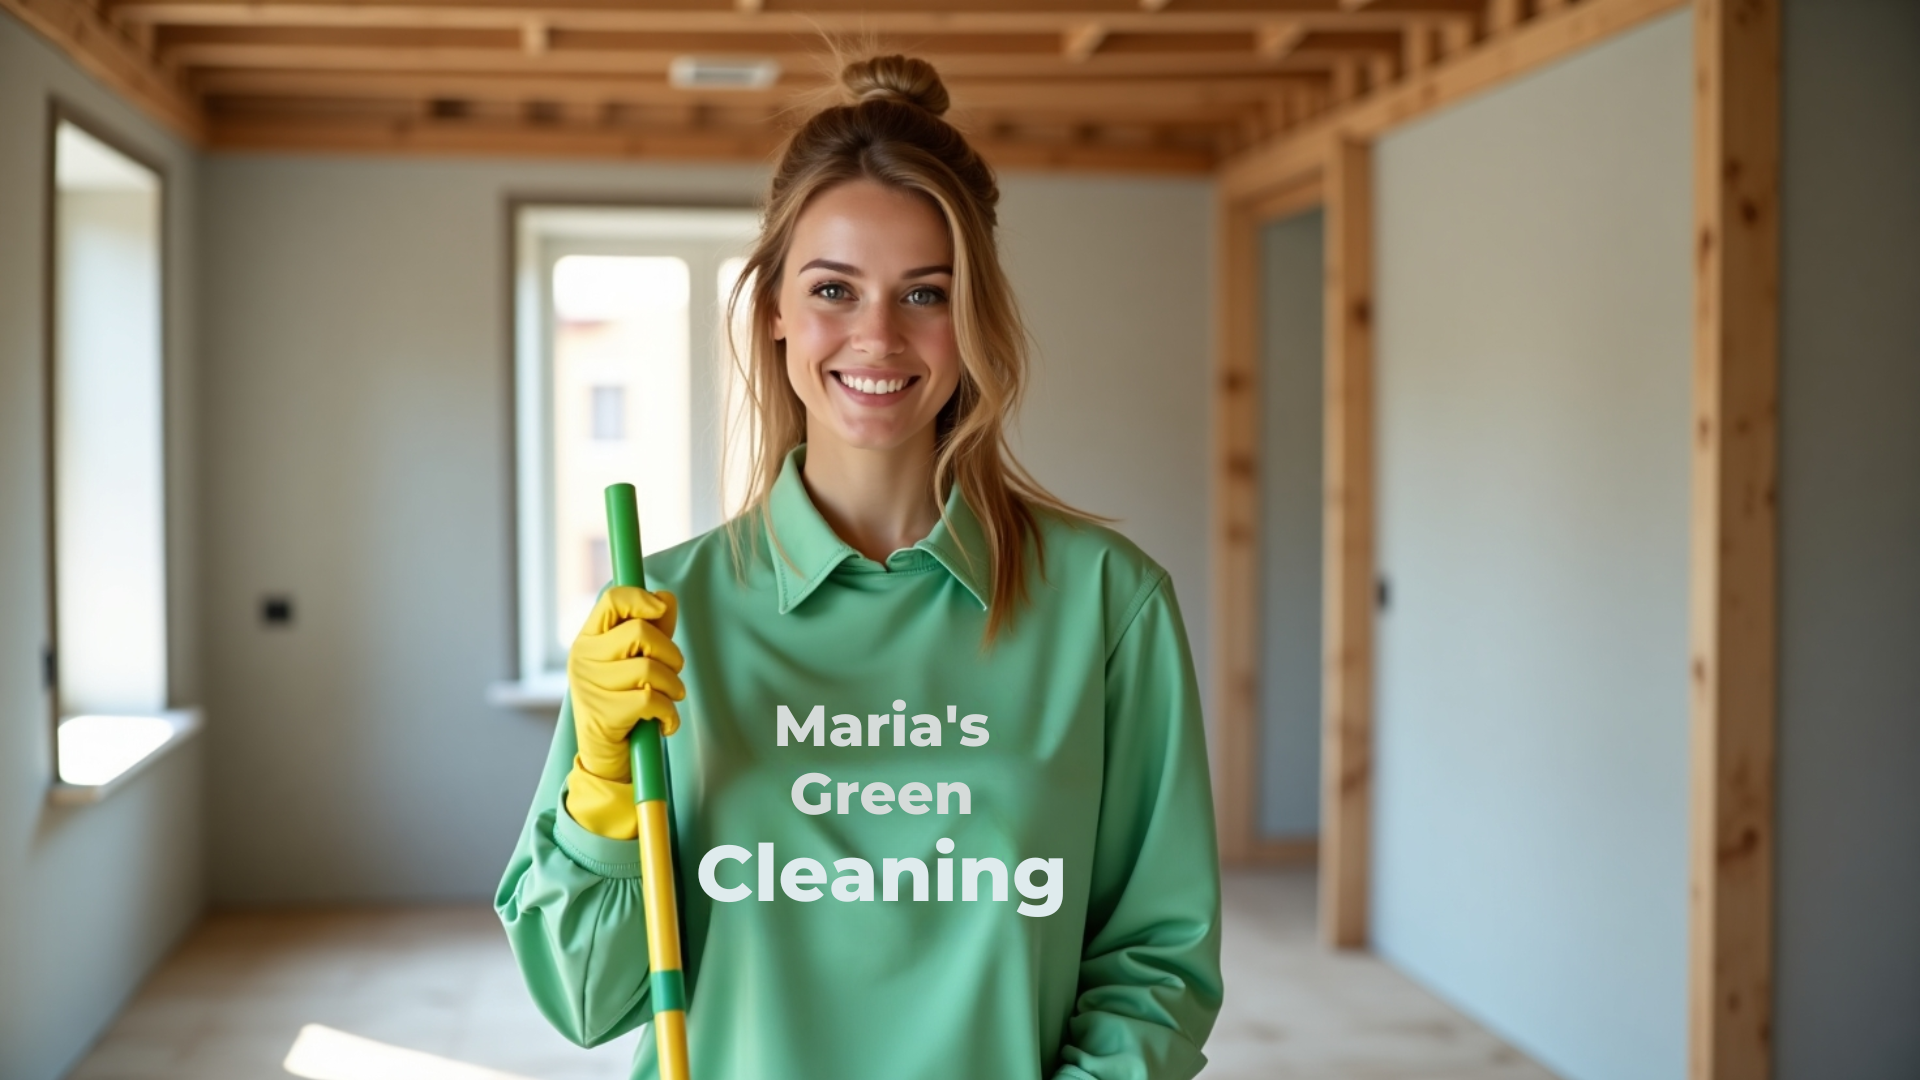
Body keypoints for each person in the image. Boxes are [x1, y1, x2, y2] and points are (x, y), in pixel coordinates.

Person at [497, 53, 1222, 1080]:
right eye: (833, 288)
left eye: (925, 293)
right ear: (775, 311)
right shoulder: (661, 613)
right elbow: (587, 998)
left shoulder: (1108, 605)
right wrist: (600, 784)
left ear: (973, 321)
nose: (878, 336)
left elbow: (1157, 959)